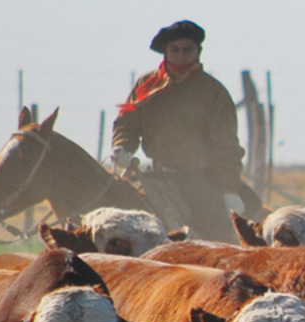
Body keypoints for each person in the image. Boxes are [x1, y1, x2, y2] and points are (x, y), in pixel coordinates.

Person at [111, 20, 259, 242]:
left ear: (198, 52)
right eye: (175, 50)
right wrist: (122, 147)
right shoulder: (146, 86)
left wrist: (229, 189)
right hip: (153, 177)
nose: (181, 55)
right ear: (165, 52)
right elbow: (127, 124)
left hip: (200, 182)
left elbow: (227, 146)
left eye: (187, 50)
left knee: (216, 239)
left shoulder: (213, 91)